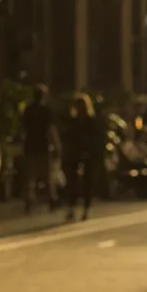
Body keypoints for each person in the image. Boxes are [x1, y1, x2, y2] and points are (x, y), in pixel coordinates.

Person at [19, 81, 58, 215]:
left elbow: (23, 129)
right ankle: (51, 199)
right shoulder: (46, 110)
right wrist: (56, 145)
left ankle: (29, 202)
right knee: (47, 176)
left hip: (30, 145)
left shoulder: (28, 110)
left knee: (30, 177)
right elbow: (51, 129)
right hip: (44, 145)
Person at [59, 91, 100, 221]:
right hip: (75, 153)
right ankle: (72, 208)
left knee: (87, 181)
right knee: (72, 182)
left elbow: (95, 139)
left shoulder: (90, 121)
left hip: (87, 153)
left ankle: (85, 209)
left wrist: (90, 151)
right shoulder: (74, 121)